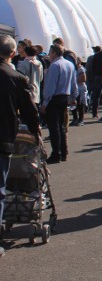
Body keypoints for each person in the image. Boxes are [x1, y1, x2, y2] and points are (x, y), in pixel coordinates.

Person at [0, 35, 41, 258]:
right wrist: (35, 132)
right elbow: (29, 112)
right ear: (13, 54)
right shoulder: (16, 78)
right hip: (4, 138)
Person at [41, 44, 77, 164]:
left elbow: (50, 86)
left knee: (54, 127)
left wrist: (45, 102)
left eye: (50, 52)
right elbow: (73, 83)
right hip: (65, 97)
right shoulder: (69, 64)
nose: (49, 55)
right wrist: (73, 96)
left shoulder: (55, 65)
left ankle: (56, 153)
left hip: (55, 98)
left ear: (54, 53)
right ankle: (64, 152)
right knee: (62, 126)